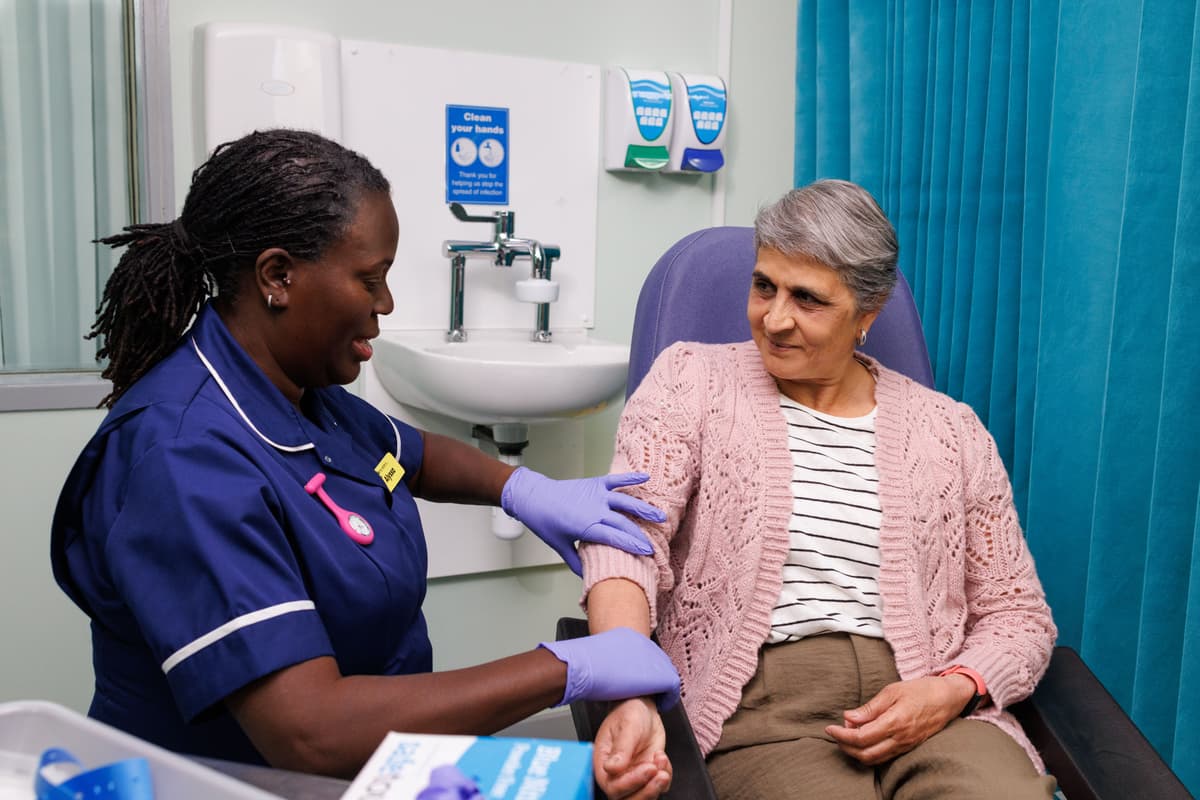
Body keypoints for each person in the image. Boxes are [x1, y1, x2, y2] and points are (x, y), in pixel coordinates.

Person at [50, 128, 680, 780]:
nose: (386, 304)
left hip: (365, 770)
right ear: (278, 276)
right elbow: (311, 732)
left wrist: (520, 489)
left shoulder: (292, 389)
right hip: (219, 784)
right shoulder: (181, 460)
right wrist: (567, 668)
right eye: (369, 278)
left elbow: (409, 455)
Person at [577, 180, 1059, 799]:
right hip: (760, 712)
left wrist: (952, 688)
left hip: (929, 704)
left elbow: (1018, 613)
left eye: (807, 299)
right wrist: (629, 691)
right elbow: (626, 545)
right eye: (763, 286)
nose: (775, 319)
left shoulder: (953, 431)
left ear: (869, 311)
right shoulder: (690, 382)